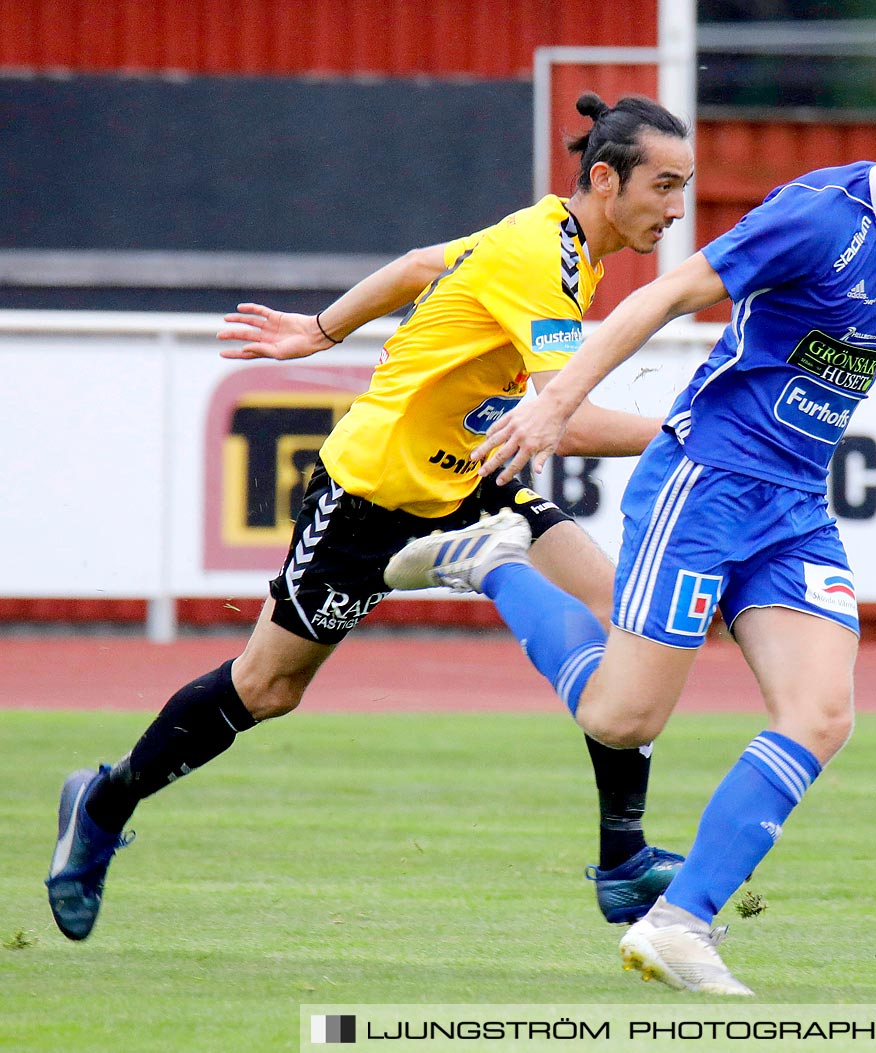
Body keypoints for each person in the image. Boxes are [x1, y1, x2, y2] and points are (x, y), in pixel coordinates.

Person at [383, 49, 876, 996]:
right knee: (622, 718)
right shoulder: (816, 217)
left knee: (823, 712)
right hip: (704, 483)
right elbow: (665, 294)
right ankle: (497, 559)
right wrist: (555, 405)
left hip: (793, 507)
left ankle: (680, 924)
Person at [46, 93, 698, 942]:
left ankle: (621, 861)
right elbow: (561, 421)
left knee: (626, 620)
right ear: (606, 179)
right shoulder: (543, 256)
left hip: (471, 476)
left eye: (685, 188)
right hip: (371, 492)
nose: (677, 209)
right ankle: (101, 803)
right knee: (266, 688)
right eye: (665, 186)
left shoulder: (559, 242)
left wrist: (319, 330)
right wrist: (688, 436)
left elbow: (420, 265)